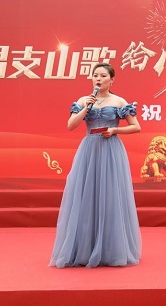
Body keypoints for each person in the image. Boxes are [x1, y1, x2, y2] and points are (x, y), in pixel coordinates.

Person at [50, 63, 141, 268]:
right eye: (95, 75)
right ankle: (84, 248)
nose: (98, 79)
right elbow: (71, 125)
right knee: (86, 196)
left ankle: (110, 249)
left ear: (112, 80)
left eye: (103, 75)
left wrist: (115, 130)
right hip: (89, 151)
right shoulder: (84, 100)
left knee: (110, 196)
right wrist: (86, 108)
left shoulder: (119, 101)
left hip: (111, 150)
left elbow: (136, 127)